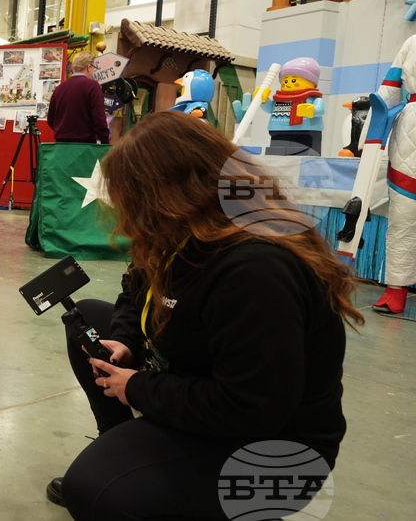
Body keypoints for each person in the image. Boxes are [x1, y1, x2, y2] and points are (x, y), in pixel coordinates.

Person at [47, 111, 363, 520]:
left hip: (274, 450)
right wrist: (125, 342)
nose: (127, 213)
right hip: (207, 392)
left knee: (94, 491)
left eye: (133, 197)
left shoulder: (256, 269)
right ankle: (121, 442)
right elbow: (136, 292)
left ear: (170, 193)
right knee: (86, 320)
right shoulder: (183, 235)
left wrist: (139, 389)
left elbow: (252, 408)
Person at [46, 51, 110, 144]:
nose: (93, 72)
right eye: (94, 68)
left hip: (61, 145)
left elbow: (50, 119)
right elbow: (99, 119)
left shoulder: (59, 88)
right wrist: (105, 142)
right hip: (84, 146)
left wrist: (64, 133)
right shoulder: (93, 86)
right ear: (89, 67)